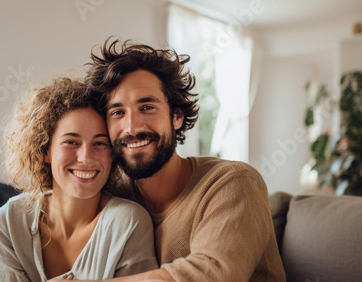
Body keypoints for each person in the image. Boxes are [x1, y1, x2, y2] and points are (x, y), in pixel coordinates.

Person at [82, 38, 287, 281]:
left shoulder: (233, 183)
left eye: (147, 107)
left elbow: (212, 275)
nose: (131, 127)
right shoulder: (114, 196)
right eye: (117, 112)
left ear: (177, 117)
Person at [0, 77, 158, 281]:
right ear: (45, 150)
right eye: (71, 141)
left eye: (100, 143)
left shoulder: (129, 223)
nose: (86, 157)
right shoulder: (8, 223)